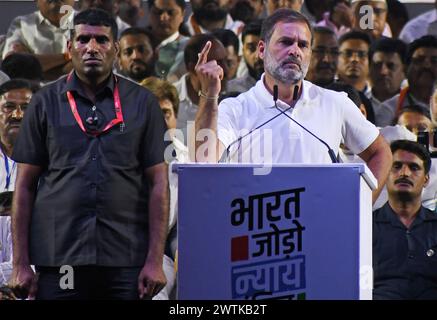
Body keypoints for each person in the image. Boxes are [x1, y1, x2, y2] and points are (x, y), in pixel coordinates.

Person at [10, 9, 169, 300]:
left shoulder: (143, 103)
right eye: (83, 39)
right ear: (69, 48)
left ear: (116, 49)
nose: (92, 47)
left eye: (101, 40)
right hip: (62, 257)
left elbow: (158, 184)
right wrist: (20, 263)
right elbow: (24, 186)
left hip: (126, 256)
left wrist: (155, 261)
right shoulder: (44, 102)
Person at [194, 8, 392, 203]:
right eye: (286, 42)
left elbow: (380, 152)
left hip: (319, 230)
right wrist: (210, 96)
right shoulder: (236, 108)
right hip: (253, 229)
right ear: (261, 50)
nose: (295, 51)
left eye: (303, 45)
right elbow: (204, 161)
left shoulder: (335, 103)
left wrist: (361, 205)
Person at [373, 140, 437, 300]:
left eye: (414, 168)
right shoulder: (364, 227)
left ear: (426, 180)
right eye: (396, 166)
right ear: (386, 173)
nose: (404, 173)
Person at [0, 79, 39, 289]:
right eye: (8, 107)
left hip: (34, 269)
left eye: (25, 108)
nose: (17, 115)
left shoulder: (53, 161)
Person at [2, 0, 75, 80]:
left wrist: (33, 67)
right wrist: (68, 56)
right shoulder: (21, 24)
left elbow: (89, 68)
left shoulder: (87, 21)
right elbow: (14, 66)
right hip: (34, 91)